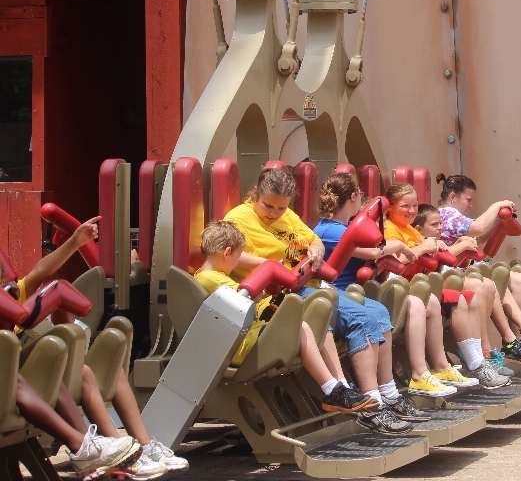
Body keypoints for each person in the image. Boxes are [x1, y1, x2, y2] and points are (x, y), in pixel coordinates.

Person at [223, 169, 417, 433]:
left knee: (379, 311)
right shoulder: (238, 218)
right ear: (255, 193)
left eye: (281, 207)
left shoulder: (287, 216)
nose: (274, 213)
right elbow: (232, 255)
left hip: (311, 284)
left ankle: (388, 394)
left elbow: (314, 240)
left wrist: (315, 250)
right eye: (268, 205)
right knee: (360, 317)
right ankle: (370, 404)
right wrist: (274, 265)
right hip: (281, 293)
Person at [7, 218, 183, 479]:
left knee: (104, 369)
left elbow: (40, 273)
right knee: (79, 371)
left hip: (26, 373)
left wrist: (76, 241)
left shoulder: (12, 293)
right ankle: (110, 453)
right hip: (16, 380)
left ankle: (138, 448)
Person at [383, 183, 511, 389]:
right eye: (405, 206)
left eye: (414, 205)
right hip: (403, 289)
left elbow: (430, 250)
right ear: (391, 207)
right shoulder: (389, 229)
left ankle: (477, 358)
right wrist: (426, 246)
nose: (411, 211)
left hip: (421, 284)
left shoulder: (409, 229)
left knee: (469, 297)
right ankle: (472, 363)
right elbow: (397, 259)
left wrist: (437, 245)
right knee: (457, 299)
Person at [436, 173, 521, 353]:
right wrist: (497, 206)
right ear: (453, 196)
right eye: (468, 200)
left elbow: (479, 236)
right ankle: (518, 338)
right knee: (514, 281)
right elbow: (478, 228)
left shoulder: (454, 216)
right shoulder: (447, 215)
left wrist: (499, 222)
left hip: (469, 268)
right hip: (458, 272)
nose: (471, 205)